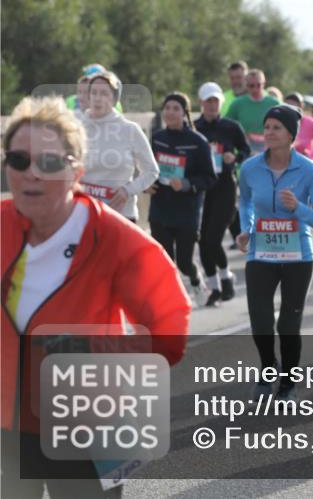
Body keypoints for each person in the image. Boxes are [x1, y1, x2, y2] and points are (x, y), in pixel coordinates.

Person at [2, 96, 190, 499]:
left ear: (76, 172)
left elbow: (169, 328)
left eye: (49, 163)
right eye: (19, 161)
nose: (31, 173)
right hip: (10, 427)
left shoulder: (116, 240)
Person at [237, 104, 313, 401]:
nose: (269, 132)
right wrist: (246, 229)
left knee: (288, 323)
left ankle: (289, 382)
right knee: (261, 320)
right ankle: (268, 368)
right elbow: (245, 203)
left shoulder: (308, 169)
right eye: (267, 127)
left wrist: (297, 208)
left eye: (276, 127)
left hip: (298, 256)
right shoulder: (251, 168)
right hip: (261, 253)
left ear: (291, 134)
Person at [149, 92, 217, 295]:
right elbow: (147, 168)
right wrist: (147, 184)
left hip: (187, 211)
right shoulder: (157, 138)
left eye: (176, 109)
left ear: (185, 113)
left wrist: (187, 184)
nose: (170, 112)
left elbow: (210, 177)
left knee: (184, 262)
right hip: (160, 209)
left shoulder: (198, 142)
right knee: (165, 260)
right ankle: (172, 303)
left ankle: (195, 278)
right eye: (167, 108)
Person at [195, 82, 251, 306]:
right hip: (201, 188)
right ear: (201, 103)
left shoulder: (231, 126)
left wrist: (234, 158)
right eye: (208, 101)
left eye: (215, 101)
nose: (211, 105)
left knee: (213, 238)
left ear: (220, 103)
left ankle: (225, 276)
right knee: (202, 241)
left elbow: (245, 150)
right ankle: (215, 285)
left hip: (225, 186)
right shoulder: (194, 127)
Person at [80, 72, 159, 223]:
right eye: (94, 92)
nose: (98, 98)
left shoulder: (130, 130)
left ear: (114, 99)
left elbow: (151, 171)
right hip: (83, 213)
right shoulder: (77, 128)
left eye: (104, 93)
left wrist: (127, 191)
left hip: (121, 215)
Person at [224, 68, 280, 156]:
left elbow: (285, 127)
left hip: (270, 151)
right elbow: (226, 125)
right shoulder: (238, 103)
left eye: (258, 85)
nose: (255, 89)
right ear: (246, 85)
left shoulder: (274, 103)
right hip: (245, 151)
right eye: (251, 85)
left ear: (264, 84)